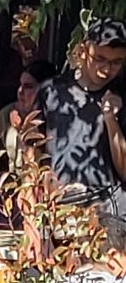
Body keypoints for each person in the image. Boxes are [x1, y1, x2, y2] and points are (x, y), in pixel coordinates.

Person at [37, 17, 126, 215]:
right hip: (59, 207)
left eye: (116, 62)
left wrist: (111, 120)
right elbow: (31, 151)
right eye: (100, 59)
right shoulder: (51, 92)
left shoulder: (121, 96)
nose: (106, 70)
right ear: (84, 51)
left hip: (109, 210)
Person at [0, 59, 55, 171]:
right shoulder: (7, 114)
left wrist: (24, 131)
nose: (20, 91)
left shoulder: (55, 119)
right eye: (20, 85)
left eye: (28, 86)